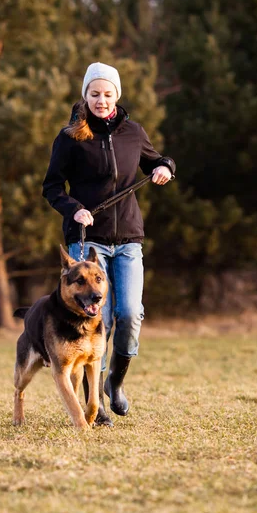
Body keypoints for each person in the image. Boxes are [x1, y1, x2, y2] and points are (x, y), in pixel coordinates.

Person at [42, 62, 175, 426]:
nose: (101, 100)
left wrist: (165, 167)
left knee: (130, 314)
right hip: (89, 242)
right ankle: (96, 405)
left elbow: (157, 160)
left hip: (129, 239)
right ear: (85, 96)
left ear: (117, 95)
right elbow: (52, 187)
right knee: (96, 322)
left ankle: (116, 381)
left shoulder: (133, 132)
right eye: (94, 93)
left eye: (107, 93)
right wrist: (75, 209)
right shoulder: (70, 137)